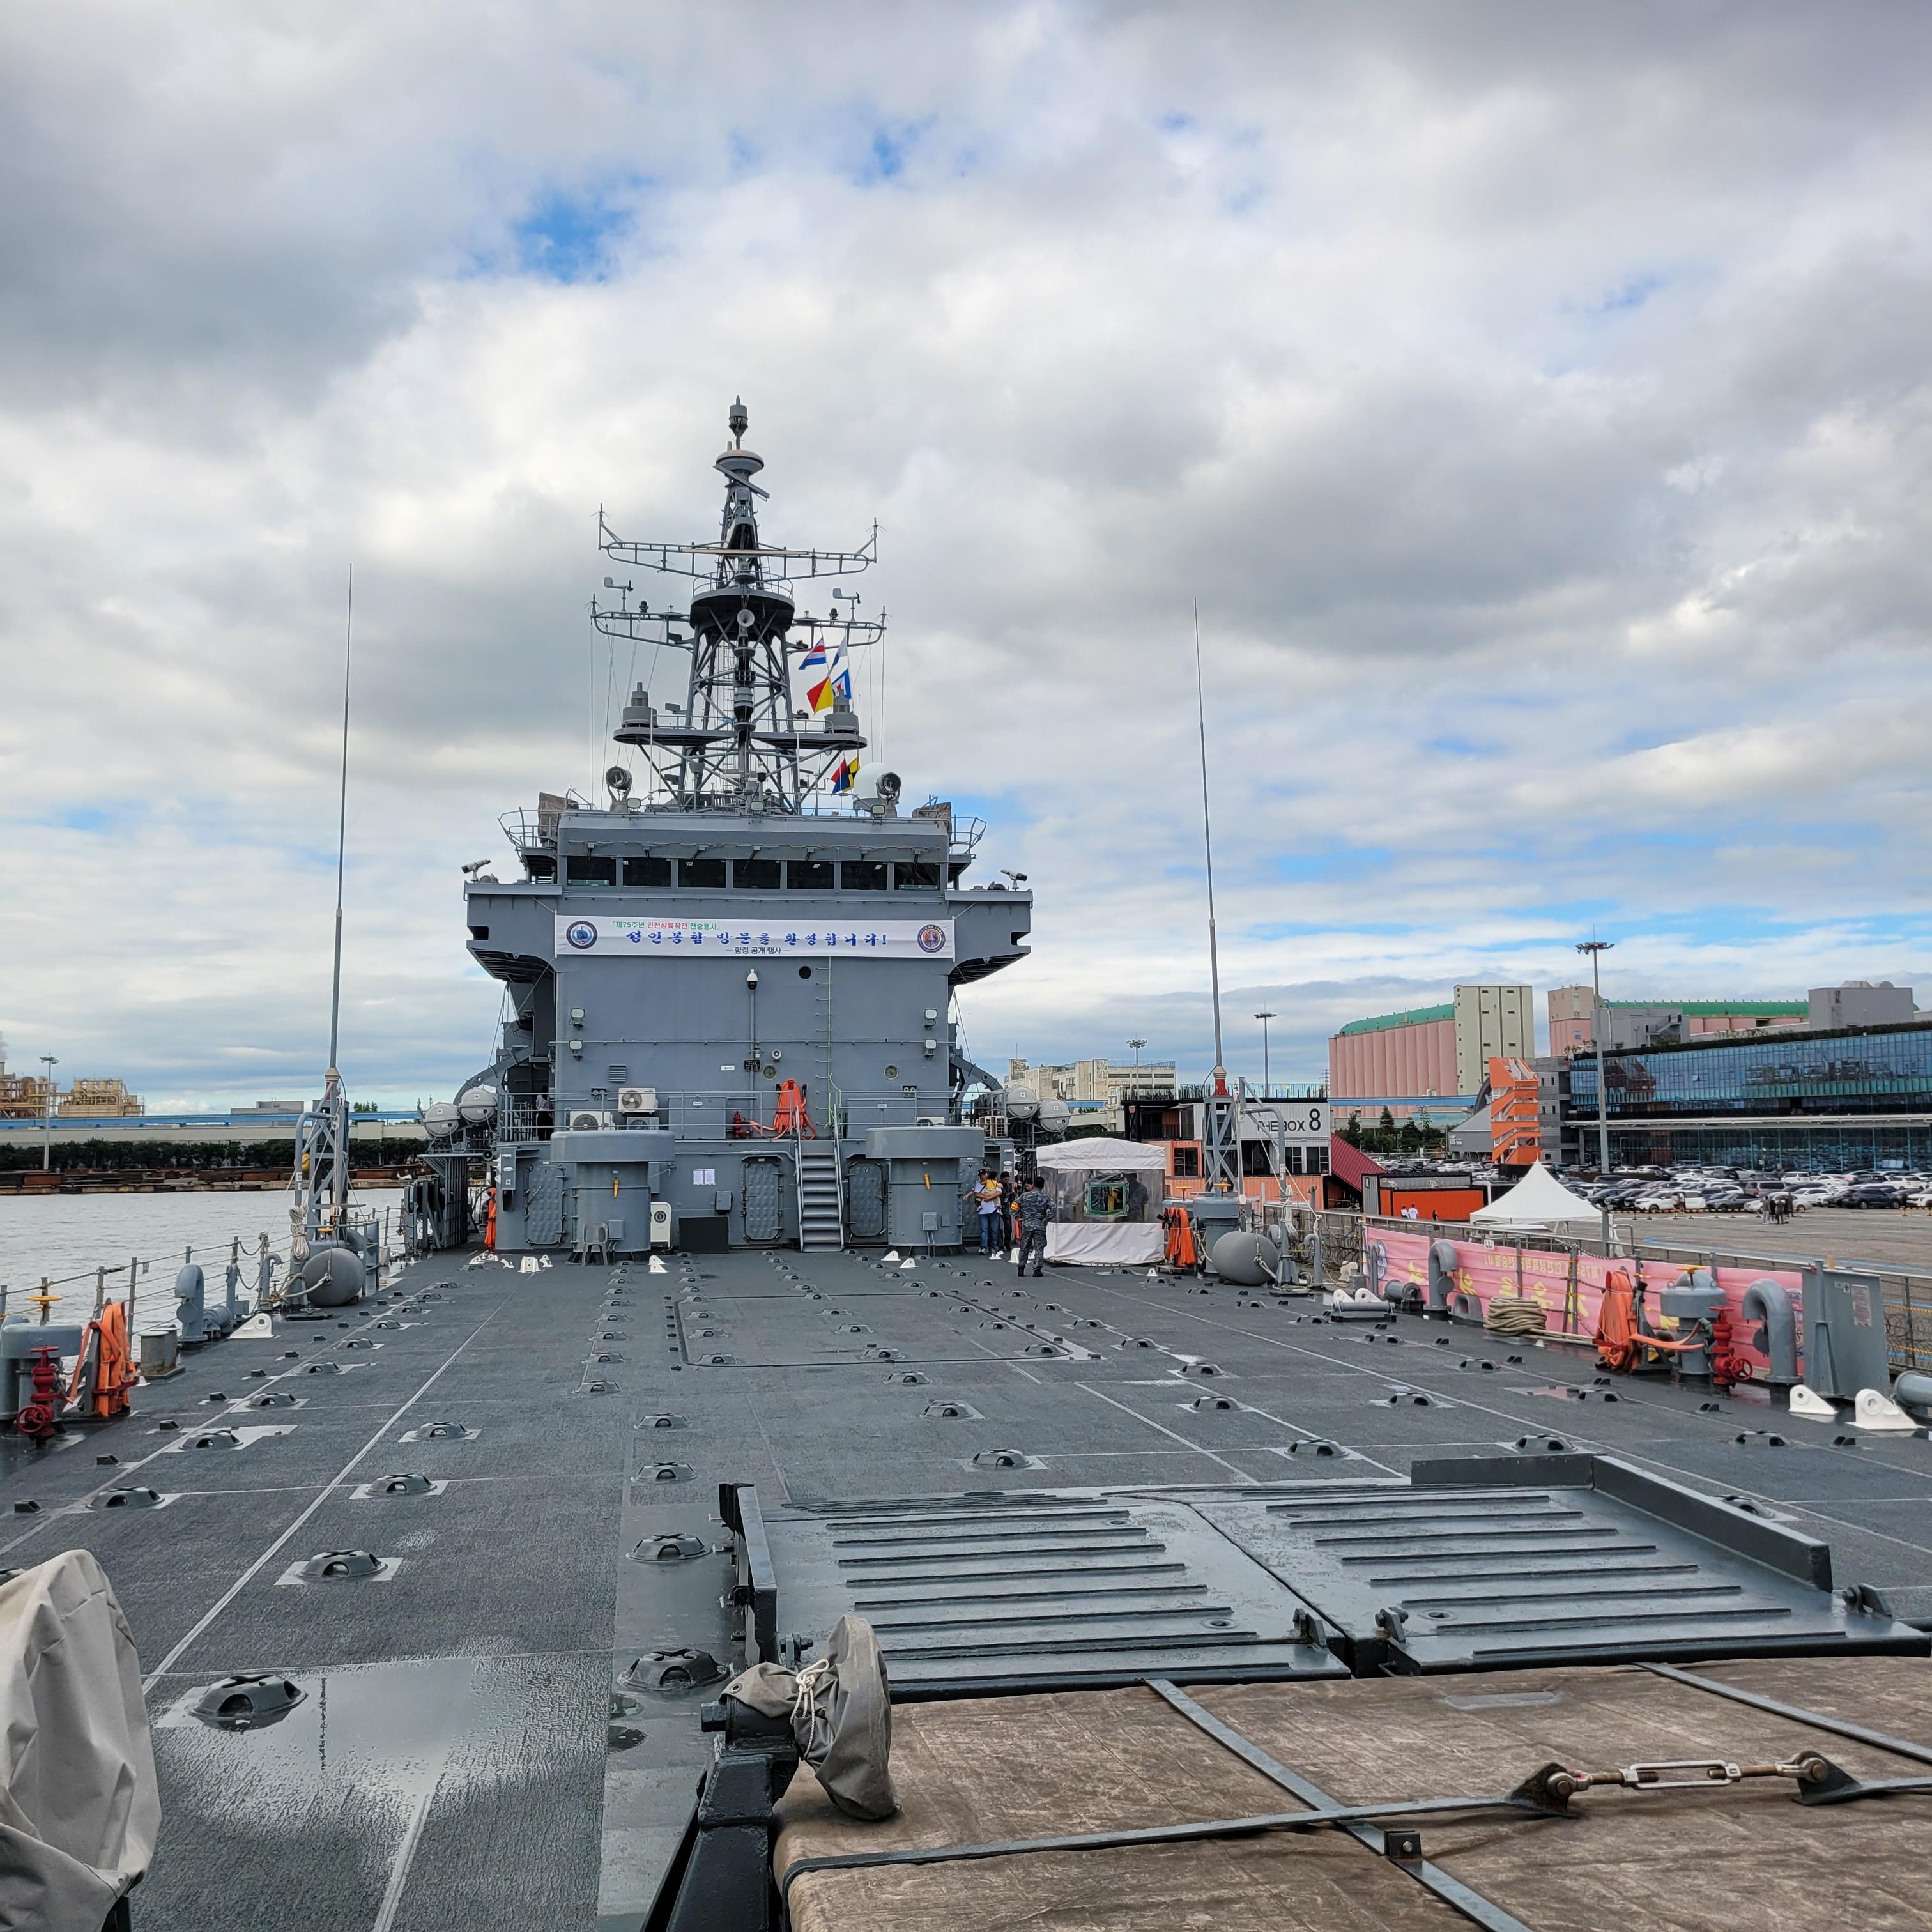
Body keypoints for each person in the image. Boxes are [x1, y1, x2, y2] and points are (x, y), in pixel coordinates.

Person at [1016, 1174, 1054, 1276]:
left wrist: (1018, 1217)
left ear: (1034, 1185)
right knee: (1039, 1248)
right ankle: (1037, 1270)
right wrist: (1046, 1219)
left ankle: (1021, 1268)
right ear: (1043, 1186)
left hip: (1027, 1224)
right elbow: (1053, 1209)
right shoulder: (1046, 1198)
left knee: (1024, 1247)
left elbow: (1014, 1206)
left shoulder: (1025, 1196)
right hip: (1039, 1225)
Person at [973, 1169, 1003, 1255]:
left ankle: (993, 1247)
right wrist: (985, 1197)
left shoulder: (994, 1182)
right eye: (982, 1175)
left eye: (985, 1174)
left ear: (988, 1175)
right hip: (982, 1211)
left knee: (994, 1230)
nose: (983, 1176)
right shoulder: (978, 1184)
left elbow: (999, 1192)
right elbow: (976, 1194)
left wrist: (989, 1198)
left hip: (994, 1210)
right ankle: (984, 1247)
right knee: (984, 1230)